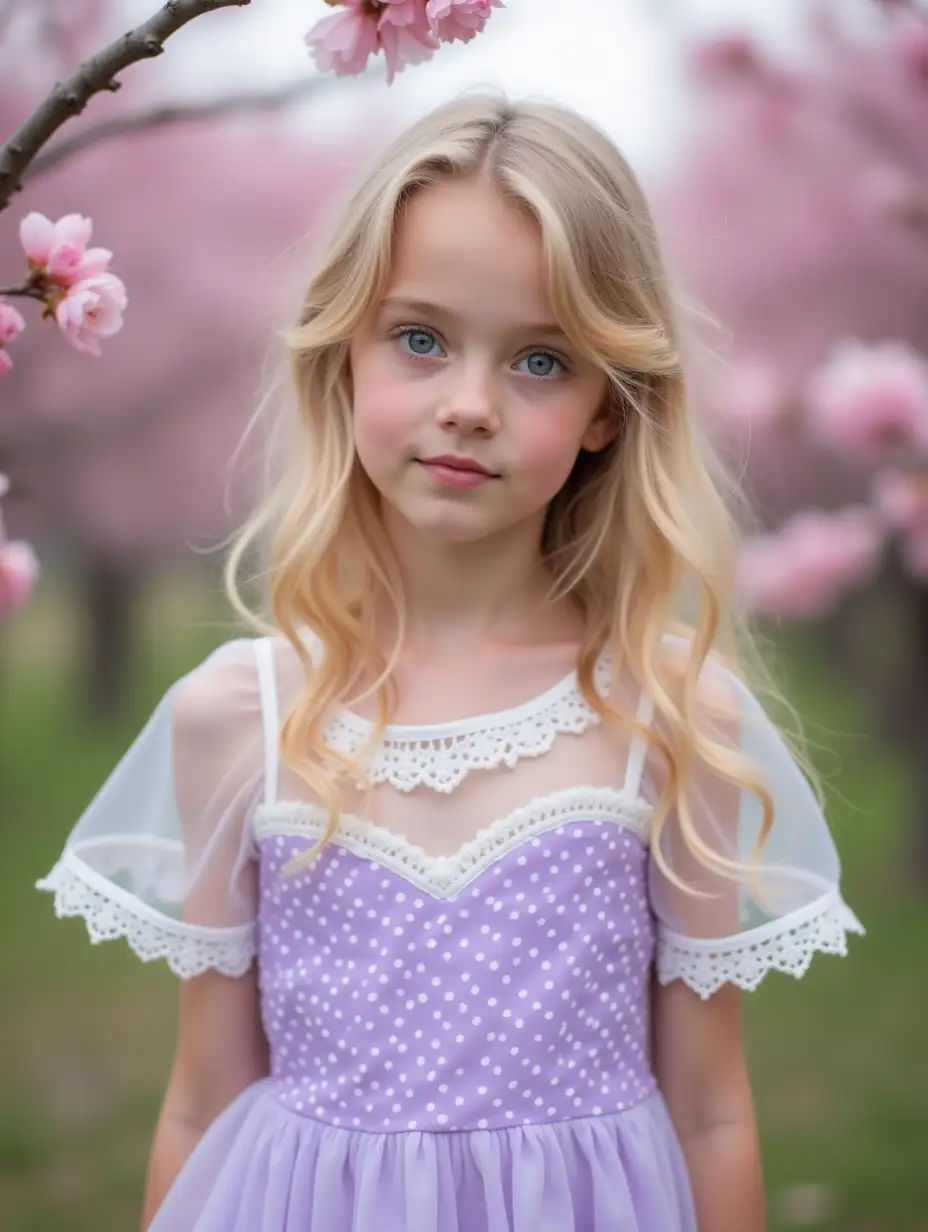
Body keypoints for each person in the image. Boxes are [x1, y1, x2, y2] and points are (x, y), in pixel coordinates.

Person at [38, 94, 863, 1232]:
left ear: (605, 411)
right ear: (346, 356)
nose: (468, 405)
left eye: (538, 359)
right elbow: (202, 1096)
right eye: (419, 339)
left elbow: (712, 1109)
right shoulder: (241, 714)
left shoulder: (666, 714)